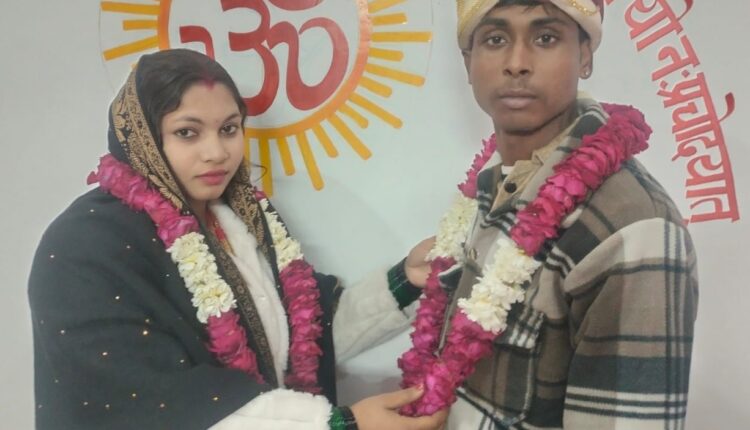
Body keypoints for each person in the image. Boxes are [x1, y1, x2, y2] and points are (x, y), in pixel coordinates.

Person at [28, 49, 447, 430]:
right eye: (188, 132)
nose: (217, 152)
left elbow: (305, 338)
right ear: (142, 138)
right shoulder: (85, 245)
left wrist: (407, 279)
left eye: (229, 129)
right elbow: (148, 400)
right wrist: (339, 425)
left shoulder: (241, 217)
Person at [401, 1, 699, 428]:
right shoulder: (493, 182)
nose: (517, 63)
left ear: (585, 55)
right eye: (495, 39)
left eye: (545, 38)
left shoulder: (635, 228)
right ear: (468, 62)